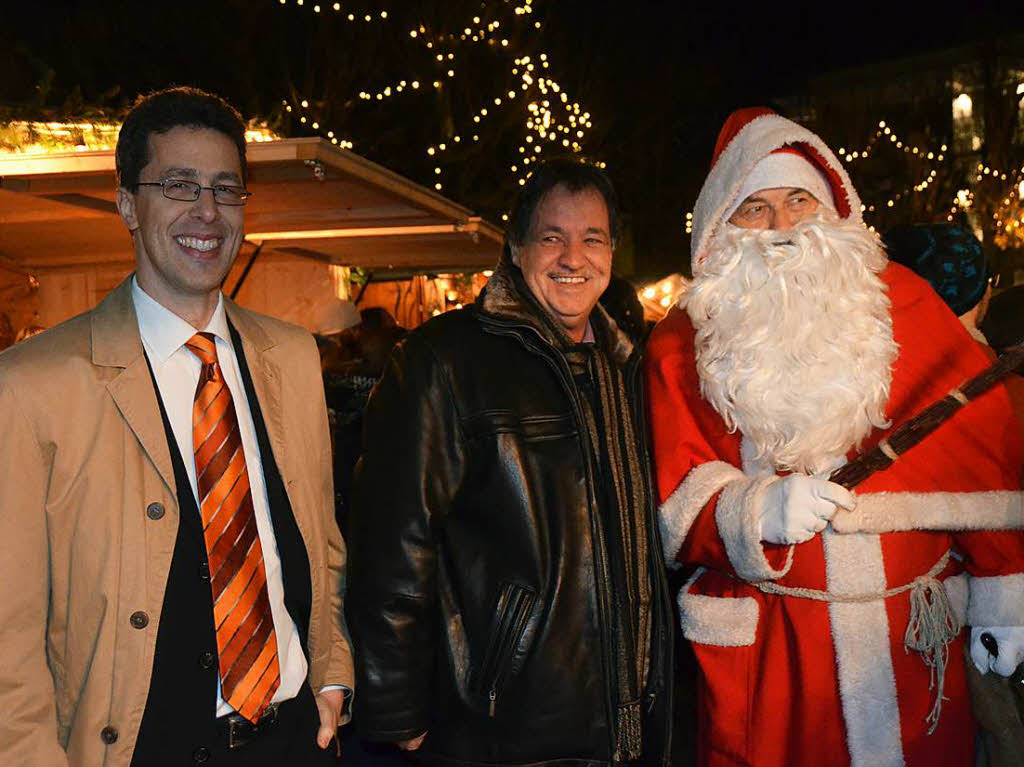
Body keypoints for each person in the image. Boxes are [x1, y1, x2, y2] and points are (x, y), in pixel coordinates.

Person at [644, 107, 1024, 767]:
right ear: (719, 228)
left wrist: (1003, 588)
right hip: (777, 654)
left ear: (835, 208)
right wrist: (754, 509)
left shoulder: (903, 299)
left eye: (800, 200)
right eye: (754, 209)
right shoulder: (684, 337)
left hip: (913, 641)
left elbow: (978, 451)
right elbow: (672, 495)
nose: (784, 225)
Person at [0, 87, 353, 766]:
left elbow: (322, 539)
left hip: (292, 740)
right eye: (178, 185)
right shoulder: (31, 384)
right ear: (128, 204)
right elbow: (8, 643)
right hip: (140, 746)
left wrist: (333, 671)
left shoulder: (293, 356)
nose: (207, 212)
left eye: (227, 189)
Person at [346, 158, 674, 765]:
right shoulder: (444, 361)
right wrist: (394, 705)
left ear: (612, 253)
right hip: (506, 723)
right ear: (516, 247)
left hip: (631, 719)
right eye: (552, 237)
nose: (573, 257)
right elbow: (393, 540)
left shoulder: (634, 368)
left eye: (592, 239)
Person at [886, 223, 1024, 765]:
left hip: (919, 617)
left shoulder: (879, 390)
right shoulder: (1000, 384)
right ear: (985, 292)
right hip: (982, 617)